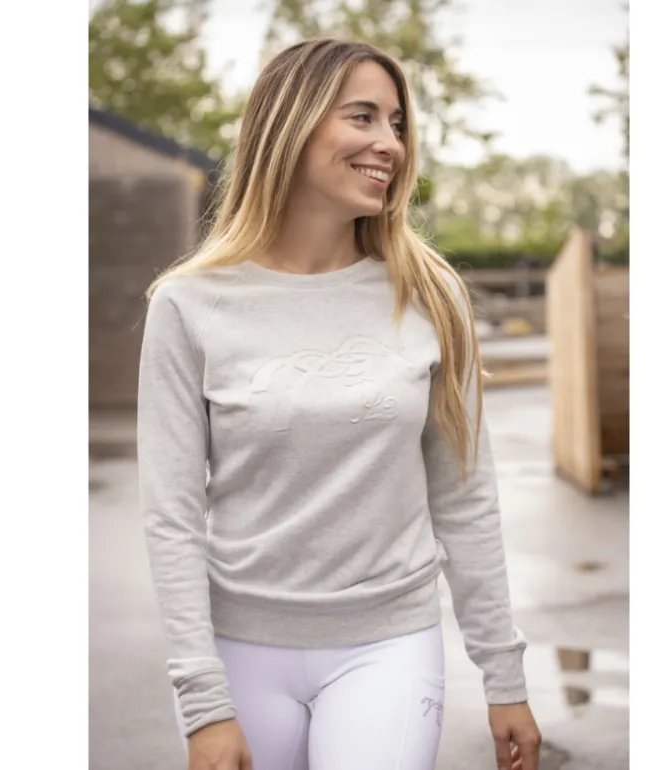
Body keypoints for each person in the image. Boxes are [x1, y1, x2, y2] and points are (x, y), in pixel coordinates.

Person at [137, 36, 542, 770]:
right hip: (239, 653)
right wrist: (204, 701)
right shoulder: (188, 305)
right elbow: (172, 517)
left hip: (389, 645)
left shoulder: (431, 296)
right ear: (290, 126)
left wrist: (504, 676)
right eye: (363, 116)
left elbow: (465, 499)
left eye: (397, 123)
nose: (390, 143)